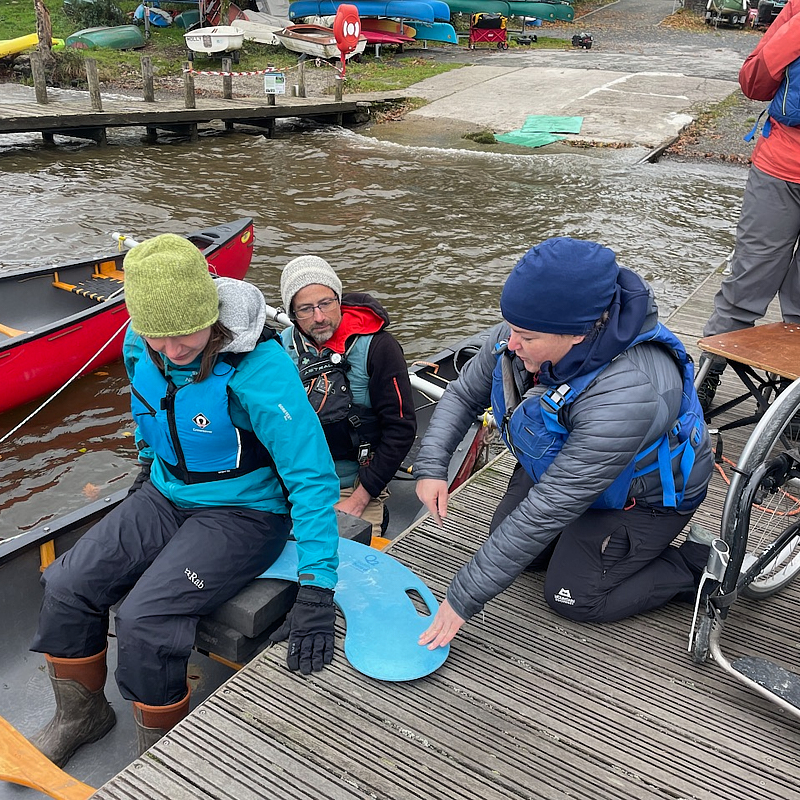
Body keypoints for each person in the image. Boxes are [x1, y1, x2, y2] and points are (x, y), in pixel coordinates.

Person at [29, 234, 340, 767]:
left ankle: (160, 754)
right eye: (157, 337)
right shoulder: (139, 342)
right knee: (65, 583)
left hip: (245, 512)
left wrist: (317, 590)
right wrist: (148, 465)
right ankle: (82, 715)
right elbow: (146, 408)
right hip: (167, 493)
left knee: (146, 621)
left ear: (211, 313)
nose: (171, 351)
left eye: (185, 335)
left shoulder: (259, 369)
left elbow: (312, 477)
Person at [414, 237, 715, 650]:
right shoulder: (523, 331)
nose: (510, 343)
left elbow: (552, 505)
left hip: (644, 497)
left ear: (576, 335)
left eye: (525, 337)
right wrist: (433, 467)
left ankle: (696, 565)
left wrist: (462, 597)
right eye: (511, 329)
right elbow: (465, 394)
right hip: (564, 469)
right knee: (516, 551)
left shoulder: (628, 390)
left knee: (572, 596)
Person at [698, 0, 800, 411]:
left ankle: (789, 397)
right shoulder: (794, 9)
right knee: (747, 279)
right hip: (778, 168)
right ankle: (708, 374)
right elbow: (753, 83)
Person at [279, 256, 417, 542]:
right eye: (306, 309)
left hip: (353, 484)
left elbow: (401, 429)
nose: (319, 317)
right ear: (292, 314)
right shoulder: (279, 349)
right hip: (293, 482)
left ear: (338, 299)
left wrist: (359, 499)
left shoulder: (380, 348)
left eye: (326, 303)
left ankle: (375, 511)